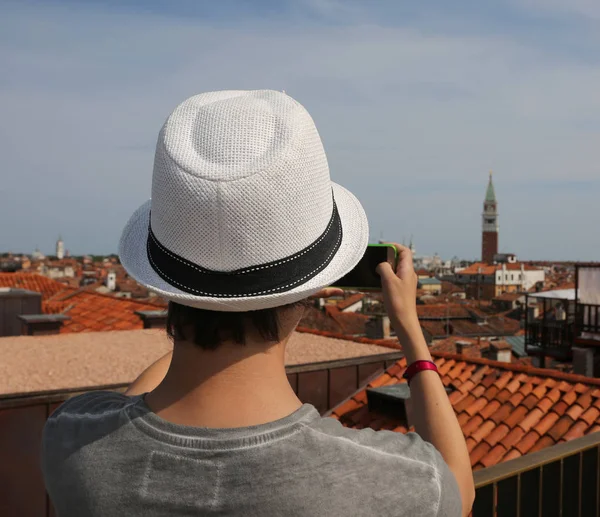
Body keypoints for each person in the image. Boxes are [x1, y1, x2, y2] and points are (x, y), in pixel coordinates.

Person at [42, 90, 474, 516]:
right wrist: (411, 334)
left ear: (165, 285)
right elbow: (459, 488)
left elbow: (134, 401)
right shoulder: (380, 479)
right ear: (312, 288)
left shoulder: (70, 440)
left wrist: (206, 302)